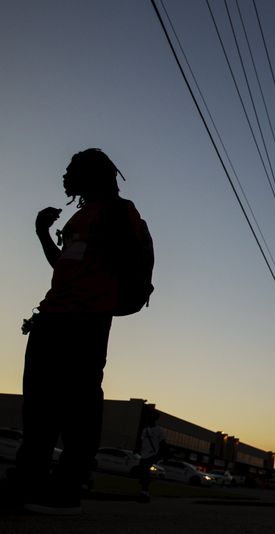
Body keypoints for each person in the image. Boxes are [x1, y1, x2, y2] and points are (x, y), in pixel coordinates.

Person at [16, 148, 150, 515]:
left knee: (78, 407)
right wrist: (42, 233)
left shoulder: (119, 212)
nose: (64, 176)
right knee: (38, 407)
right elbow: (64, 266)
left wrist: (102, 298)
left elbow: (123, 264)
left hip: (86, 321)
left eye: (71, 170)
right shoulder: (78, 218)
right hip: (51, 318)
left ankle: (67, 490)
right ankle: (28, 483)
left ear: (93, 175)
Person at [136, 406, 168, 503]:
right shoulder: (145, 430)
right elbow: (141, 441)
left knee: (145, 472)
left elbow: (163, 443)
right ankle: (144, 490)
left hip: (152, 454)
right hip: (144, 454)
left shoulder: (160, 430)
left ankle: (144, 492)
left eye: (150, 416)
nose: (148, 418)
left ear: (154, 418)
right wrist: (137, 450)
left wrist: (164, 455)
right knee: (142, 473)